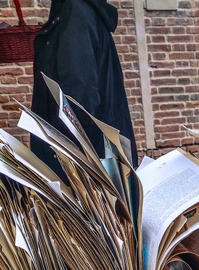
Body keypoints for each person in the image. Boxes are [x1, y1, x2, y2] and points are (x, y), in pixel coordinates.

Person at [31, 0, 138, 180]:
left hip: (83, 162)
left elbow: (78, 99)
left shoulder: (74, 11)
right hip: (96, 154)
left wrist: (65, 163)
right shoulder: (79, 10)